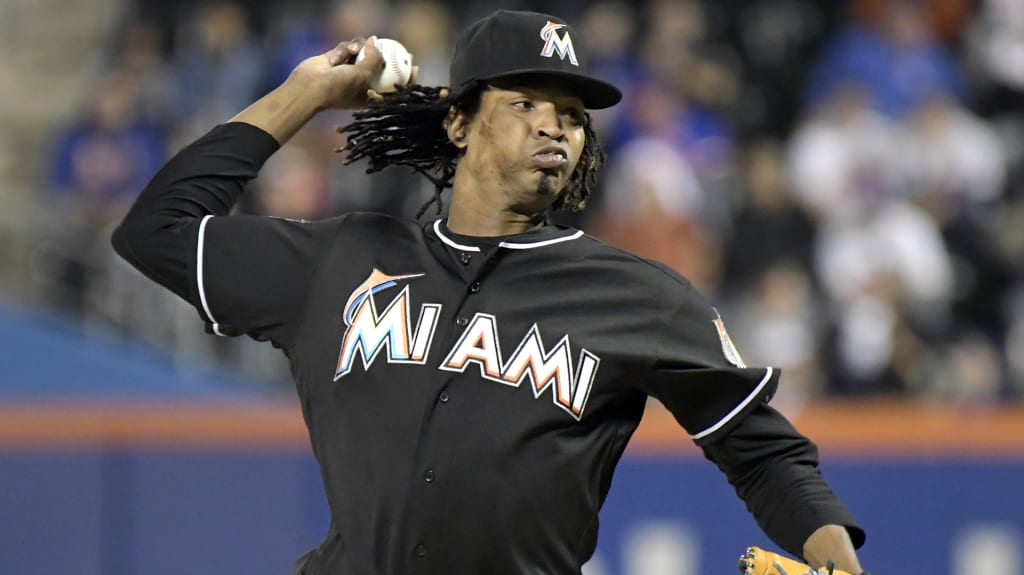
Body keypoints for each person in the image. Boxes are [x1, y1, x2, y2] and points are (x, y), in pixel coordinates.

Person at [112, 9, 868, 575]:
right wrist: (304, 92)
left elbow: (763, 450)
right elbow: (156, 231)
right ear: (459, 123)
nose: (556, 128)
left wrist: (837, 560)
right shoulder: (340, 258)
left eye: (572, 116)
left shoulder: (638, 295)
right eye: (525, 104)